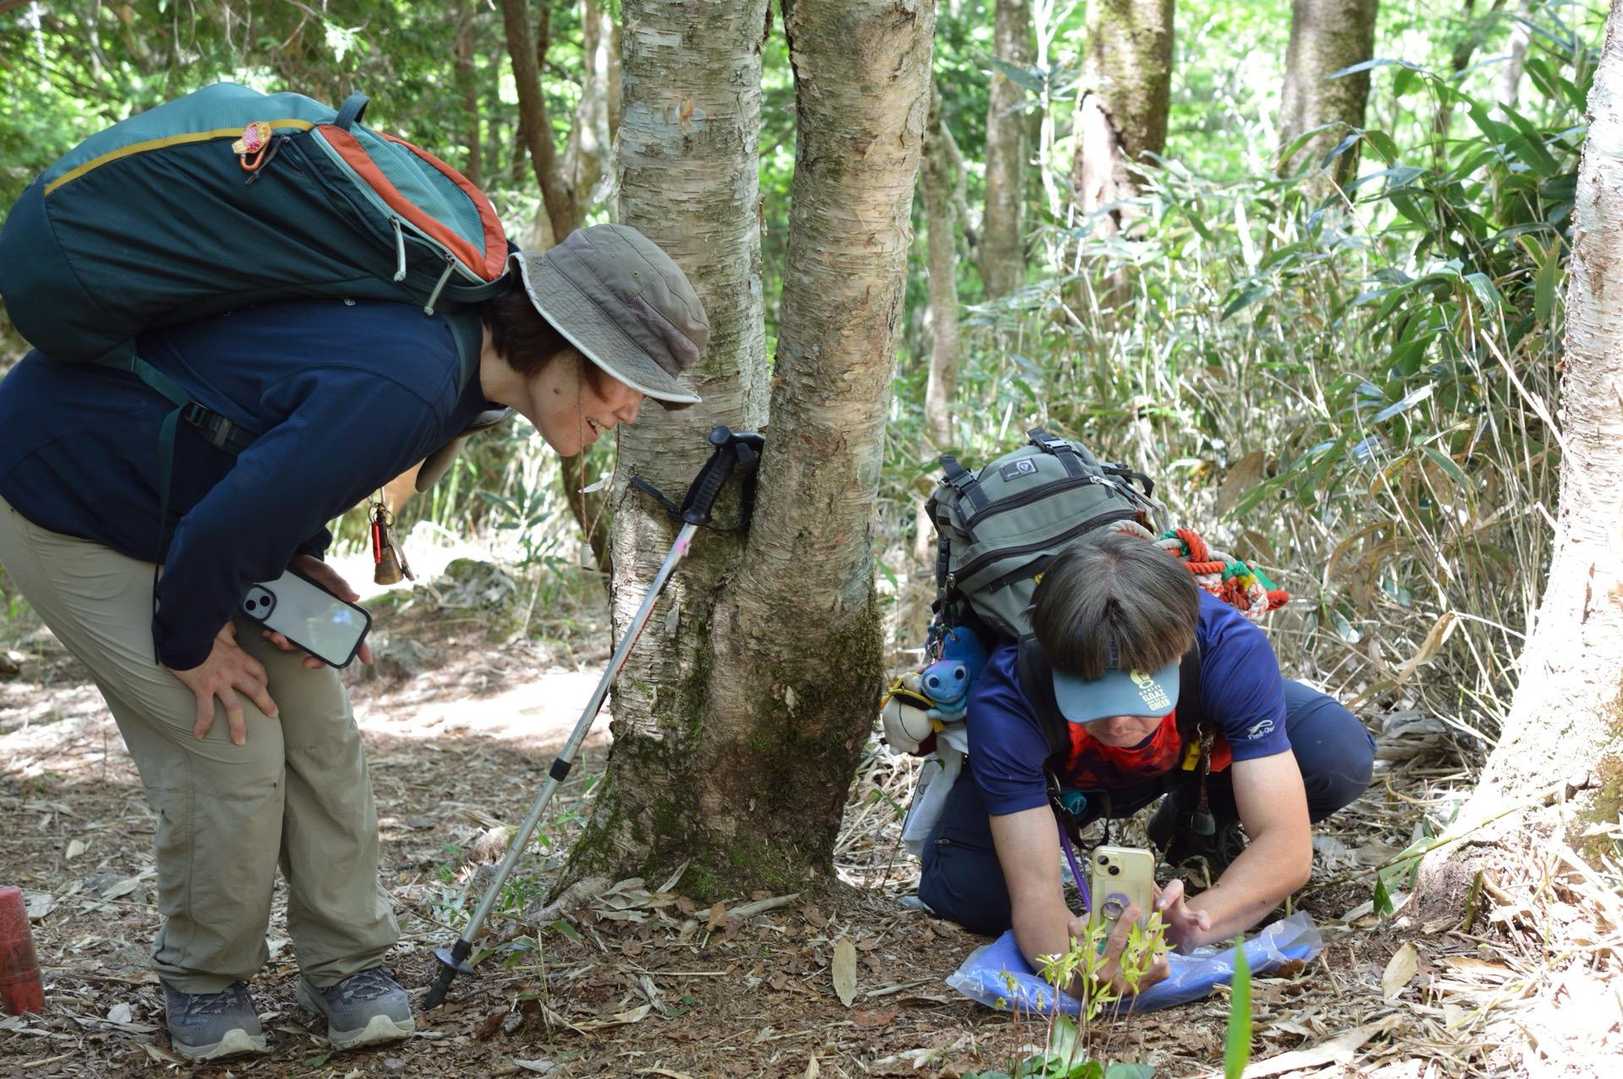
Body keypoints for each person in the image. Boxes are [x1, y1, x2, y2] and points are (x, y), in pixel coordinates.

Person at [0, 223, 707, 1061]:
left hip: (183, 503)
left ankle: (347, 965)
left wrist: (298, 557)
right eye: (625, 380)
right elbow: (233, 520)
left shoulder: (464, 380)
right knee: (228, 738)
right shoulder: (413, 377)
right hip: (65, 491)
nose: (628, 410)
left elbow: (280, 442)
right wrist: (191, 642)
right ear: (562, 344)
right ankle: (204, 976)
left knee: (319, 730)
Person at [914, 529, 1374, 993]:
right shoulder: (1009, 696)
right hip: (1066, 783)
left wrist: (1197, 921)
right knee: (969, 890)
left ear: (1180, 649)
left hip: (1186, 756)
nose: (1117, 723)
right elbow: (1034, 894)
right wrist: (1079, 974)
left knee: (1333, 751)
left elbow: (1287, 846)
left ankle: (1195, 818)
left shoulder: (1226, 648)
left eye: (1137, 697)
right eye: (1093, 699)